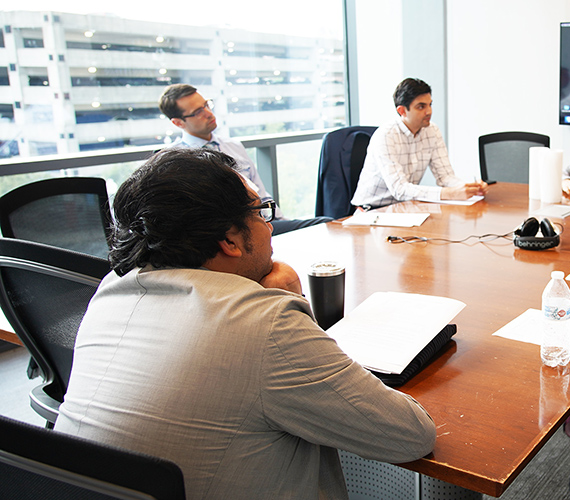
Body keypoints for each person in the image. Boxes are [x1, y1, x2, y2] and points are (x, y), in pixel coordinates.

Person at [55, 148, 437, 499]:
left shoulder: (110, 290)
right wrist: (288, 299)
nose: (270, 227)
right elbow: (408, 436)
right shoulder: (265, 322)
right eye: (260, 213)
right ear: (229, 241)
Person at [159, 84, 330, 235]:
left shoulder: (233, 146)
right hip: (225, 234)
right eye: (198, 112)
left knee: (326, 224)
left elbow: (261, 193)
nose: (209, 113)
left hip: (263, 224)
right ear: (178, 123)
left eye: (206, 105)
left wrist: (280, 221)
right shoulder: (176, 161)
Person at [350, 78, 487, 209]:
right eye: (421, 107)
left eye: (430, 105)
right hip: (371, 211)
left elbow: (445, 177)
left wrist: (469, 188)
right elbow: (400, 189)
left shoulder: (432, 130)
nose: (429, 112)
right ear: (402, 111)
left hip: (403, 209)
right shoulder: (386, 136)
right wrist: (449, 194)